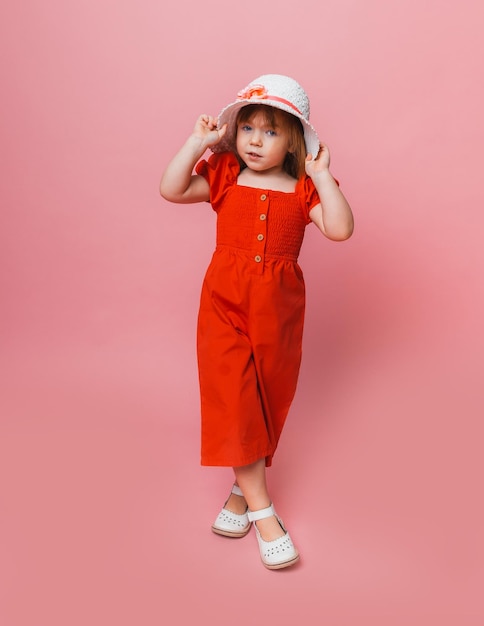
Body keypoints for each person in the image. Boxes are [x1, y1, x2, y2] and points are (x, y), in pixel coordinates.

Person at [160, 74, 354, 570]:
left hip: (280, 312)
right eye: (248, 128)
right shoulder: (224, 173)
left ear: (294, 139)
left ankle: (240, 495)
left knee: (267, 400)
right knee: (235, 398)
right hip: (224, 304)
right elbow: (171, 188)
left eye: (270, 131)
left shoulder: (305, 187)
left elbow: (340, 230)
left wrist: (325, 176)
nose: (254, 141)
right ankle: (267, 514)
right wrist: (196, 142)